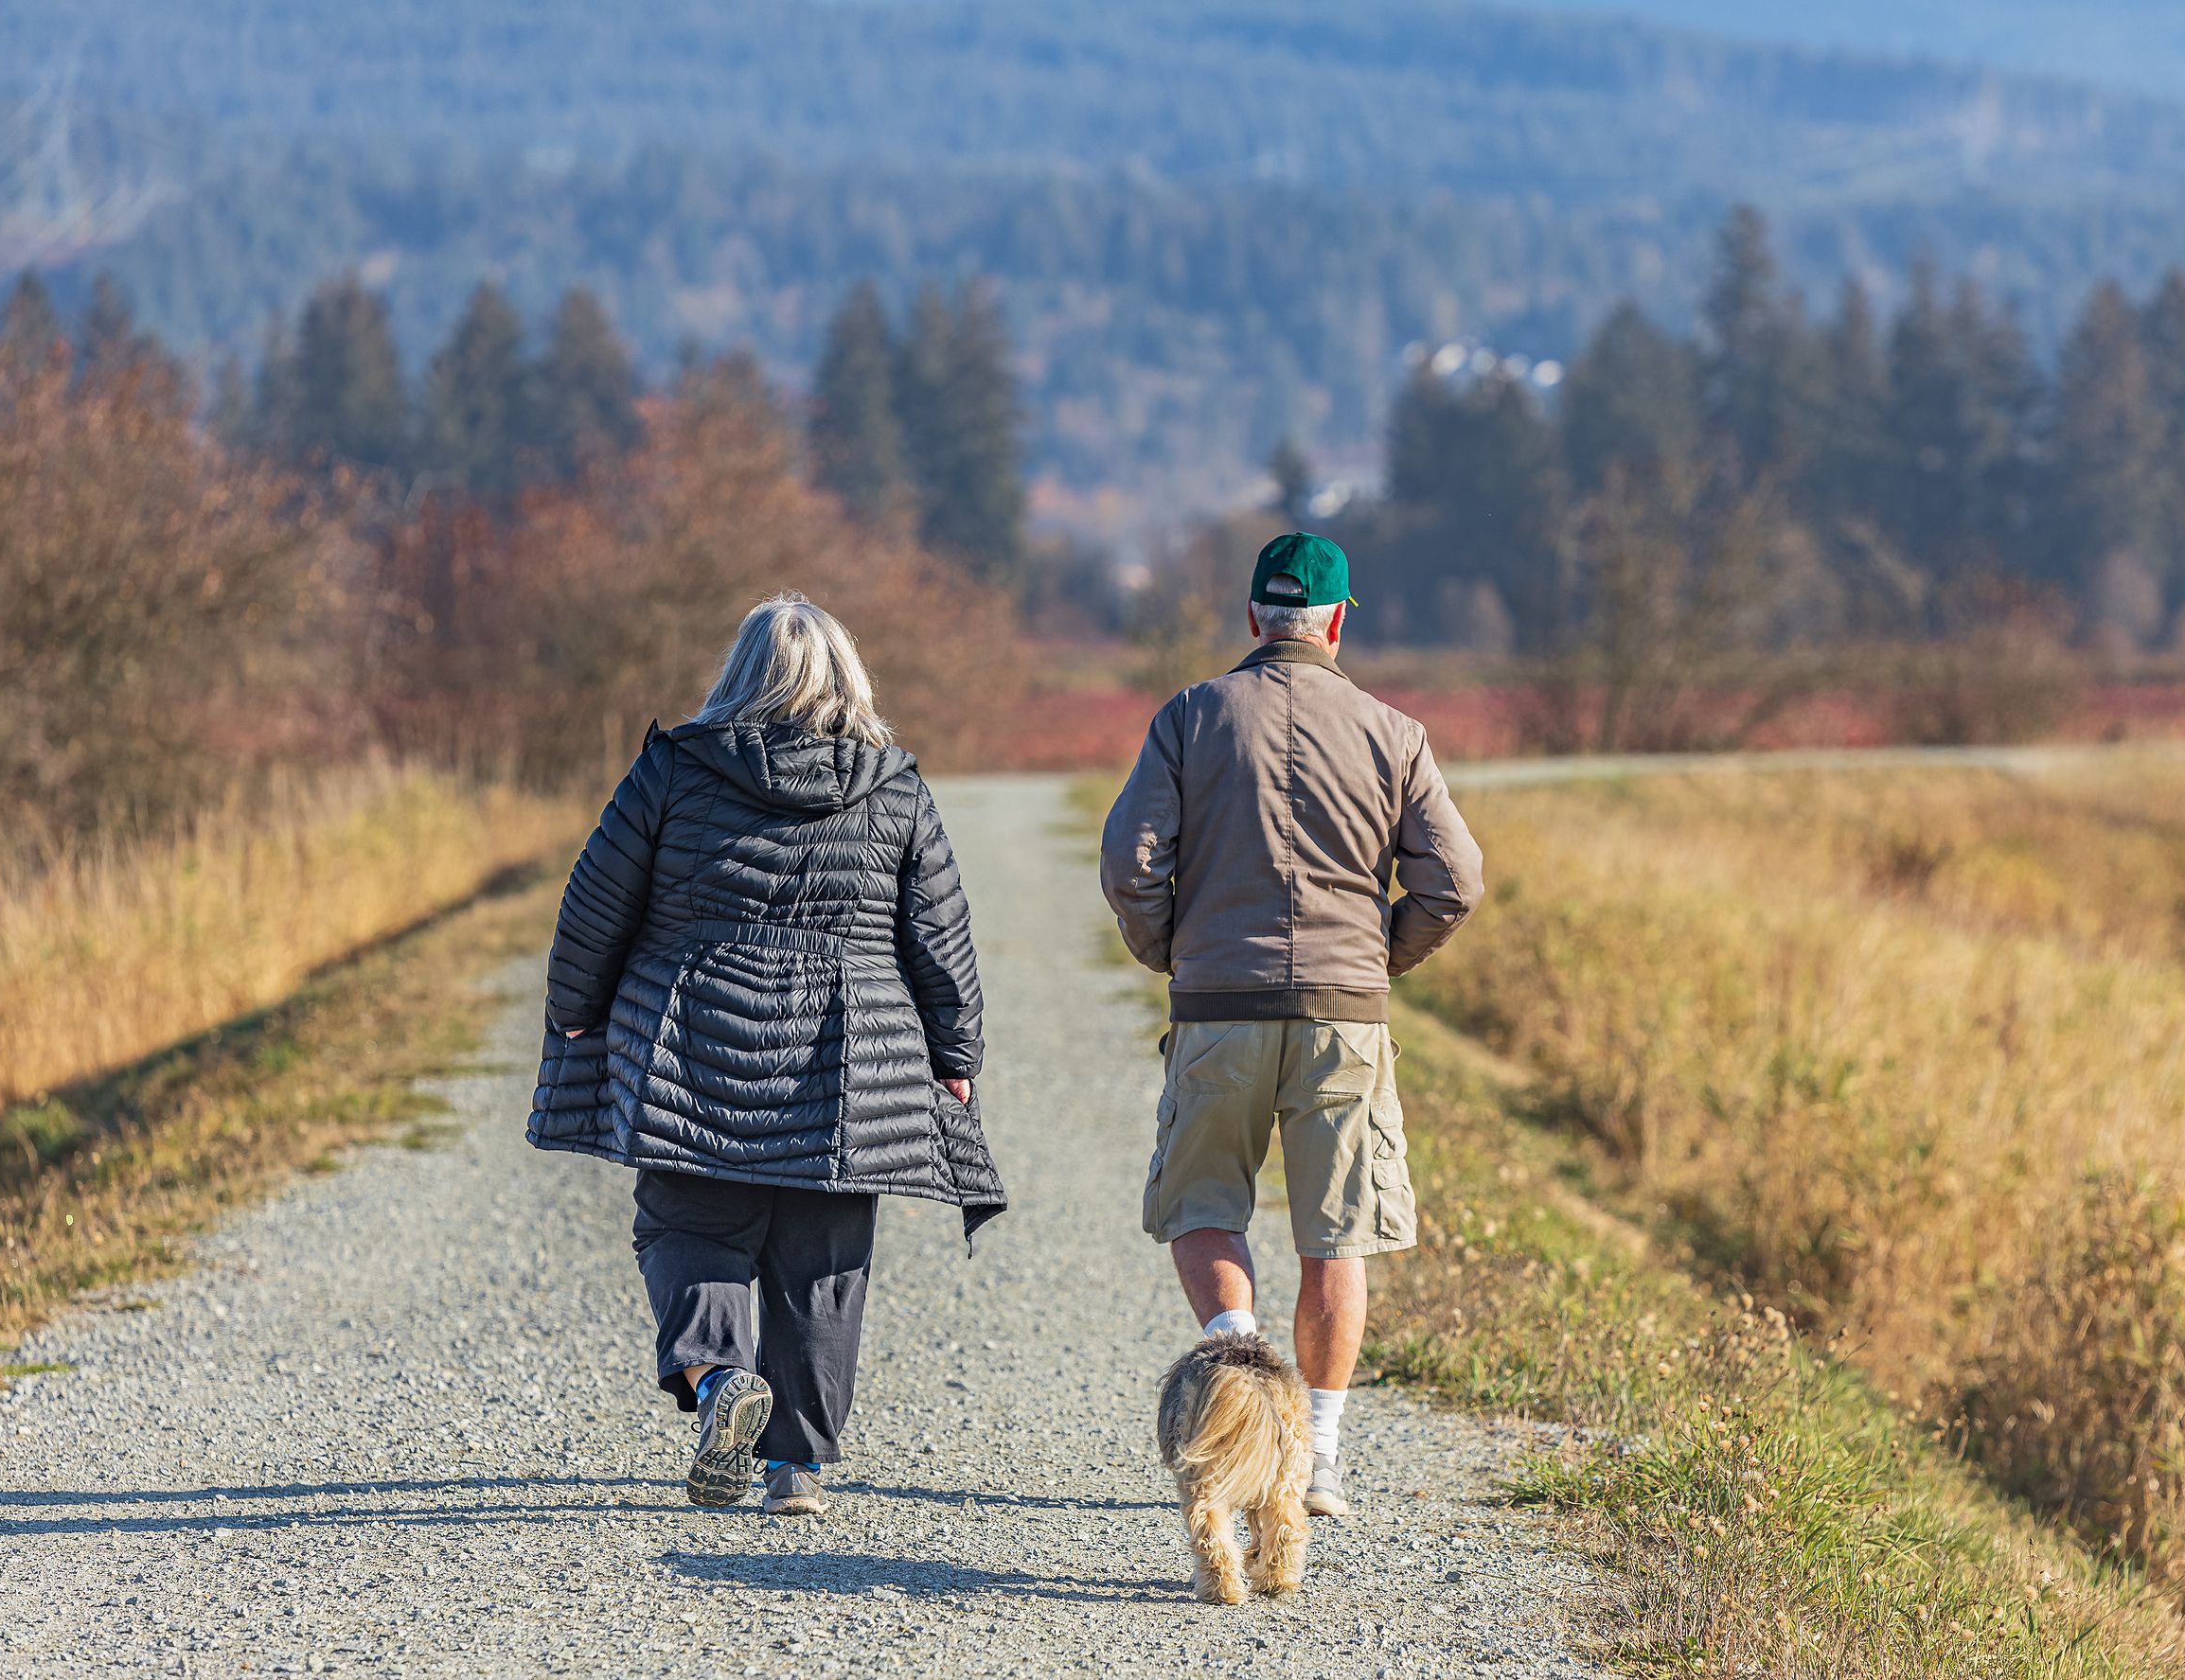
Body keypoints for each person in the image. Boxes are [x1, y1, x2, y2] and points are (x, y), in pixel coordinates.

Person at [527, 592, 1004, 1518]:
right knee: (823, 1258)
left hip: (695, 1043)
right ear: (848, 678)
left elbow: (594, 905)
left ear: (736, 674)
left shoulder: (671, 769)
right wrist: (956, 1052)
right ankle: (797, 1467)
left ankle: (718, 1382)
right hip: (850, 1054)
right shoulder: (893, 783)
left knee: (687, 1225)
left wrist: (575, 1010)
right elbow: (939, 936)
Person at [1099, 531, 1483, 1518]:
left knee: (1202, 1206)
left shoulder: (1188, 717)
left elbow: (1129, 862)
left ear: (1251, 619)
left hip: (1217, 1008)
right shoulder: (1393, 731)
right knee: (1334, 1234)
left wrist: (1168, 950)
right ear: (1340, 620)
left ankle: (1240, 1356)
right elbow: (1456, 880)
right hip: (1343, 1018)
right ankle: (1316, 1457)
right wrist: (1381, 955)